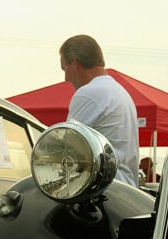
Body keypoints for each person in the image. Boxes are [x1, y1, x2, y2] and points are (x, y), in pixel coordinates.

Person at [59, 35, 139, 186]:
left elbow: (67, 152)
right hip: (125, 188)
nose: (65, 78)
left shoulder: (89, 93)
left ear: (74, 63)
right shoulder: (120, 92)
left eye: (65, 69)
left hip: (102, 191)